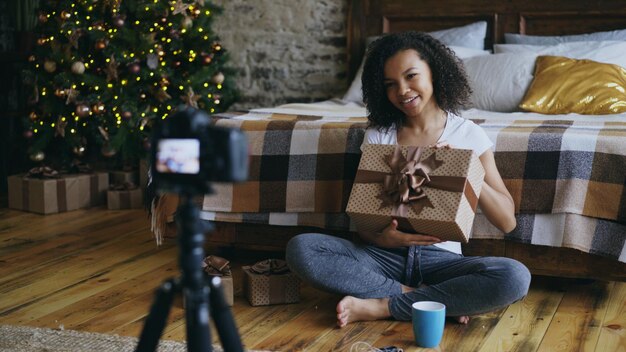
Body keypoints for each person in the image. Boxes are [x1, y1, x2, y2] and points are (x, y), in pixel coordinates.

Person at [285, 31, 531, 327]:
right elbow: (367, 221)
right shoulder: (380, 135)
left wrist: (467, 171)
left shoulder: (468, 134)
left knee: (515, 277)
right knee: (302, 249)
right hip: (382, 257)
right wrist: (382, 238)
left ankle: (383, 306)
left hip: (442, 260)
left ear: (434, 72)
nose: (402, 90)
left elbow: (507, 222)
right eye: (390, 84)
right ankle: (425, 299)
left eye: (411, 76)